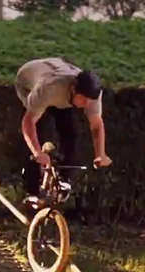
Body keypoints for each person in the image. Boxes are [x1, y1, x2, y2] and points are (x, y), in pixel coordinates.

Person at [15, 57, 112, 199]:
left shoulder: (92, 95)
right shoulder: (49, 88)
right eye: (83, 100)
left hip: (59, 79)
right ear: (73, 89)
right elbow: (28, 123)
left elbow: (96, 125)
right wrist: (37, 152)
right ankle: (32, 189)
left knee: (71, 134)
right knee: (38, 132)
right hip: (27, 83)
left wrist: (100, 154)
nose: (86, 105)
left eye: (89, 102)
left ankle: (64, 179)